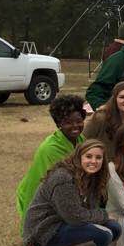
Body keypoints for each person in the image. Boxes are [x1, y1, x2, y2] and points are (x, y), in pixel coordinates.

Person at [21, 139, 122, 246]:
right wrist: (104, 215)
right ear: (79, 156)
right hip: (45, 231)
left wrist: (102, 217)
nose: (93, 161)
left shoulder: (92, 177)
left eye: (98, 158)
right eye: (88, 156)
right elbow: (74, 217)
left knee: (115, 229)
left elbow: (90, 209)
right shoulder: (63, 177)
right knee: (104, 235)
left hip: (64, 223)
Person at [16, 93, 87, 221]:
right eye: (68, 122)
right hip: (44, 197)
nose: (75, 126)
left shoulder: (81, 139)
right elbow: (63, 180)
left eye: (78, 121)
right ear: (59, 124)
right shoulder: (51, 148)